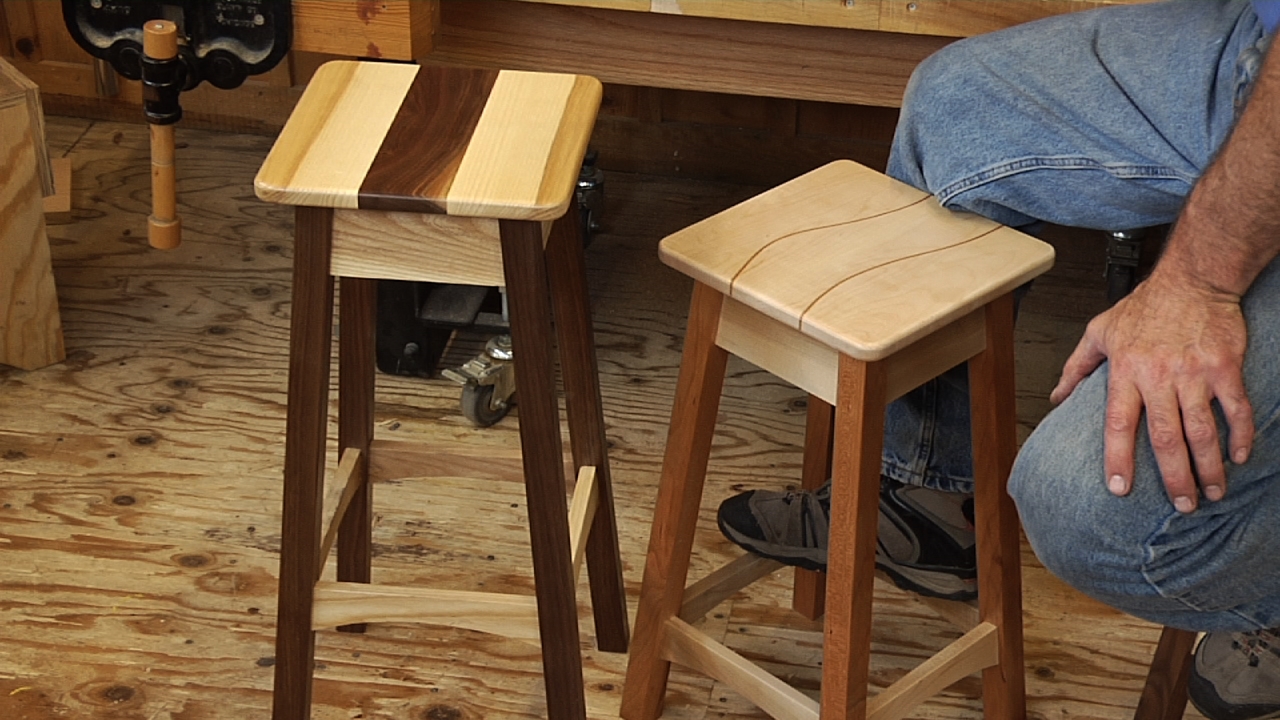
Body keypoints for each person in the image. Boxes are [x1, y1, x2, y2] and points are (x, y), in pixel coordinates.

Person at [715, 1, 1280, 717]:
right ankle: (927, 505)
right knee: (954, 110)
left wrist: (1198, 280)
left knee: (1088, 516)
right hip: (1255, 57)